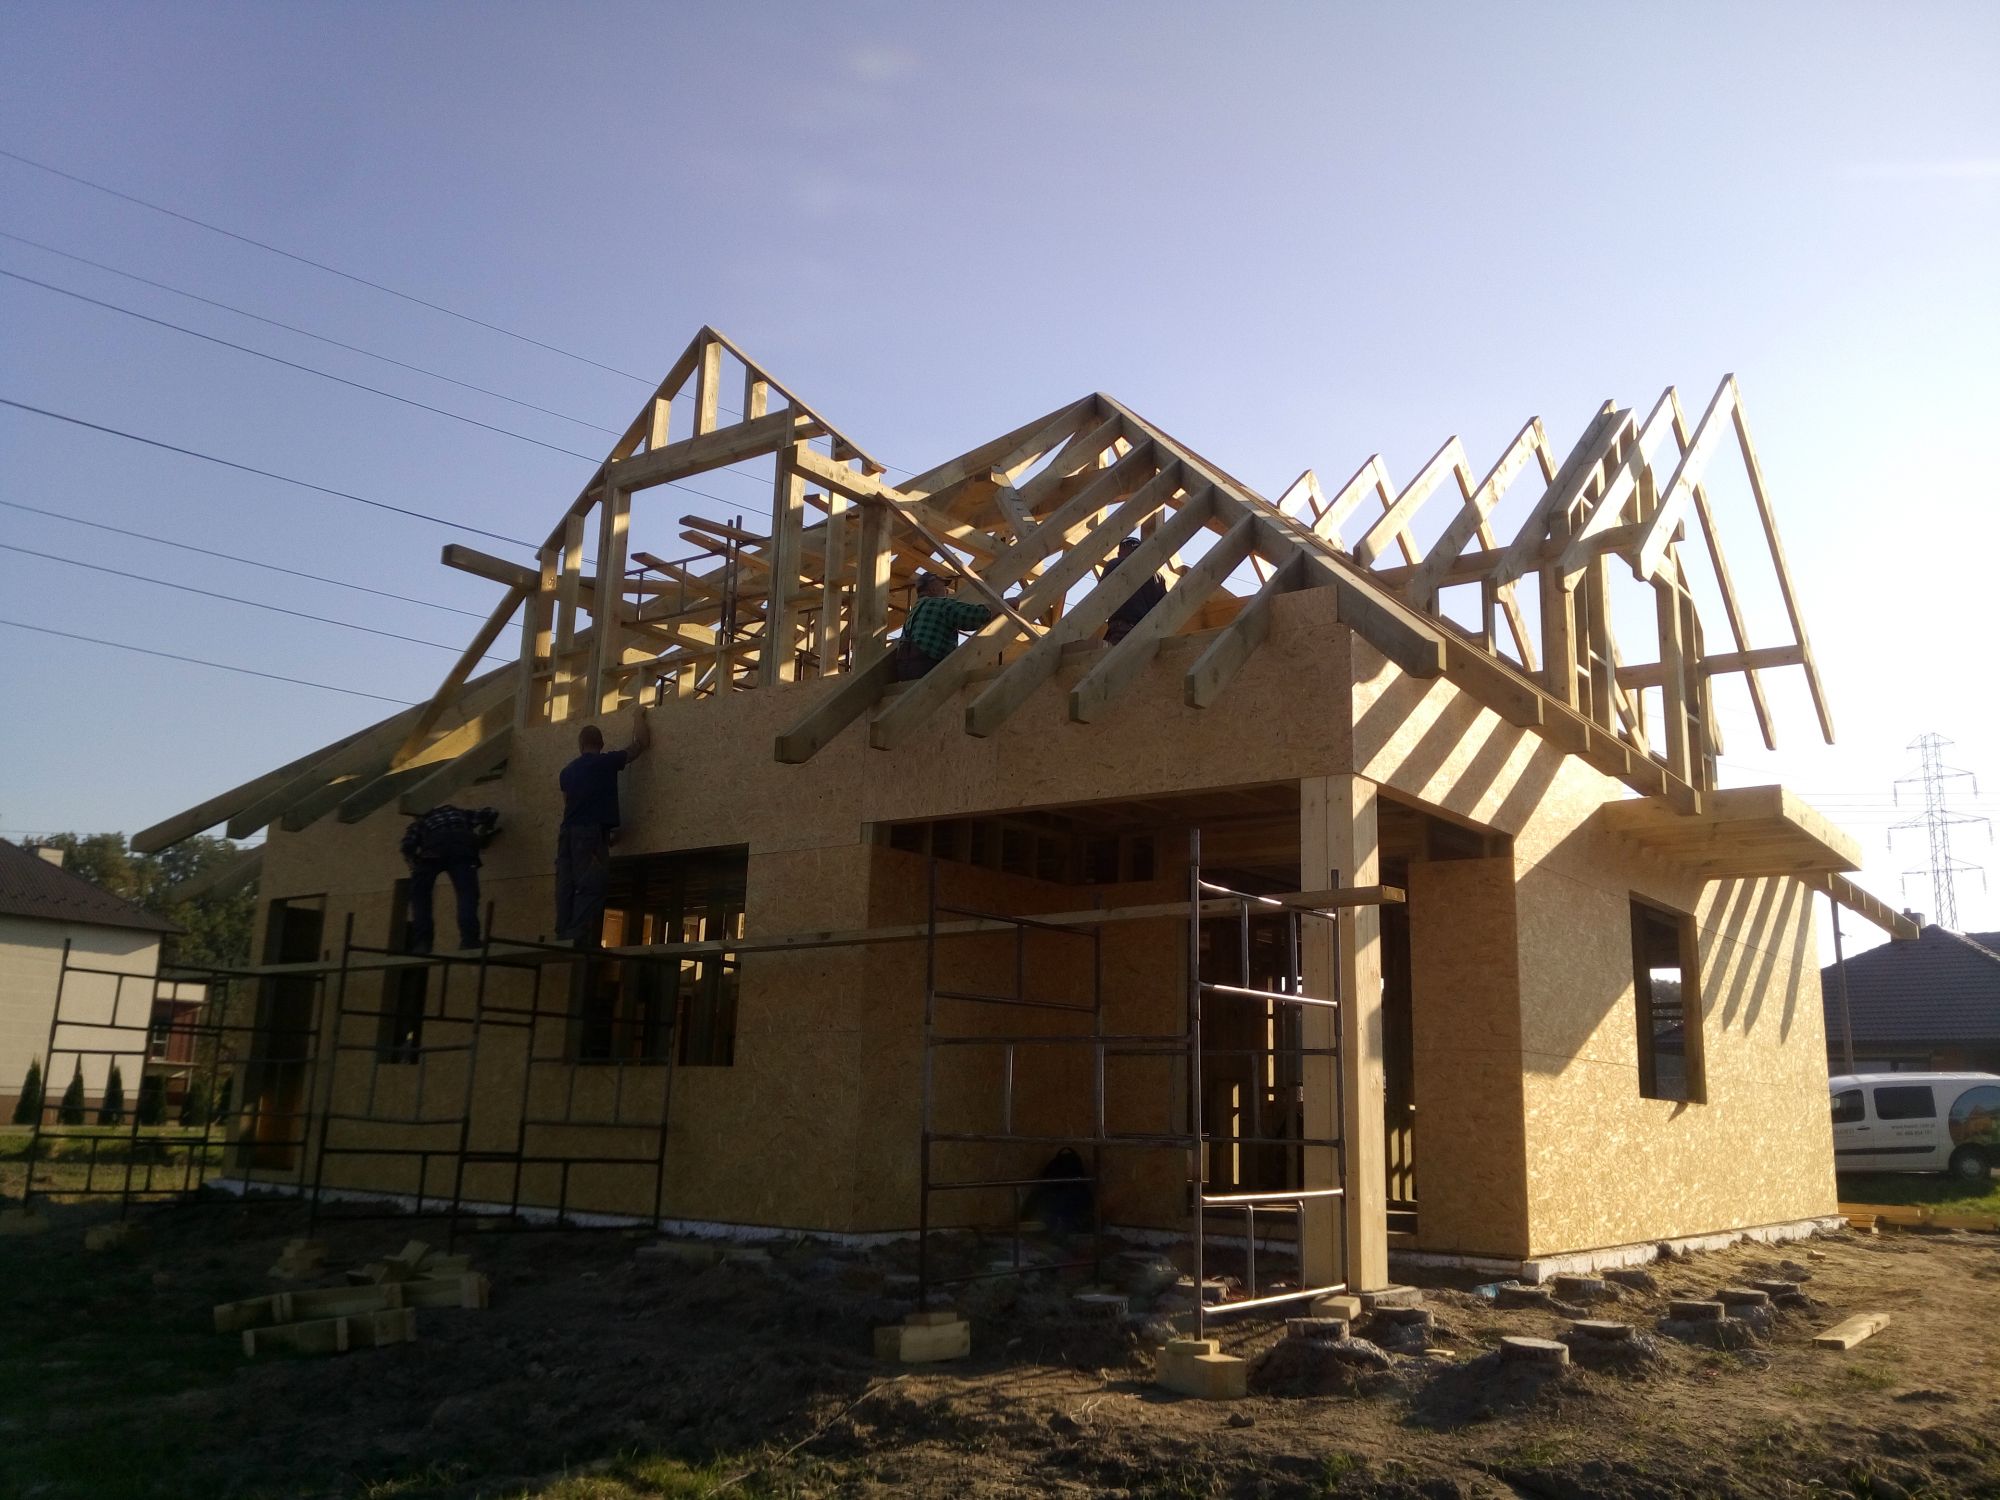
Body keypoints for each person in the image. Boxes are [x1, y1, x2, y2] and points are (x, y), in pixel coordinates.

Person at [555, 708, 651, 948]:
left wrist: (602, 834)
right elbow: (640, 745)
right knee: (591, 885)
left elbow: (568, 804)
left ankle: (563, 932)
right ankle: (577, 937)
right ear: (601, 743)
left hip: (567, 834)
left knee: (566, 883)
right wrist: (638, 716)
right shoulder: (606, 762)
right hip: (589, 833)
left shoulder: (566, 772)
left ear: (580, 745)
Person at [400, 804, 500, 953]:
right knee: (467, 895)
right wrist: (485, 830)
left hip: (432, 851)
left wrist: (415, 863)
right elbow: (491, 812)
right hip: (462, 850)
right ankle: (470, 940)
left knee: (420, 896)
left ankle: (422, 943)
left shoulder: (420, 822)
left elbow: (407, 846)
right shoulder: (457, 812)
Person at [893, 573, 996, 681]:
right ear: (933, 587)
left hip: (905, 670)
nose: (946, 590)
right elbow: (974, 616)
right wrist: (1001, 606)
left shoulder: (914, 611)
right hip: (928, 667)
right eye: (943, 586)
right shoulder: (939, 604)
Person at [1101, 536, 1166, 645]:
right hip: (1148, 635)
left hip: (1122, 631)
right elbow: (1164, 606)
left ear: (1120, 552)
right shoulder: (1157, 576)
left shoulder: (1114, 564)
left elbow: (1101, 599)